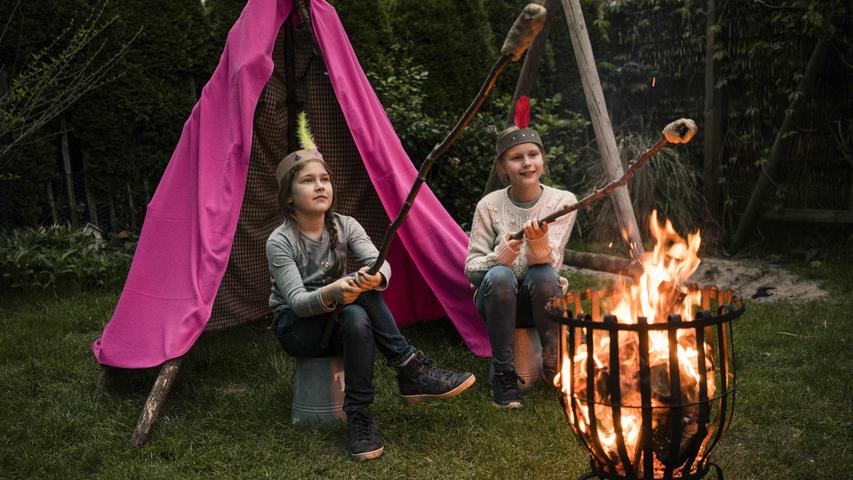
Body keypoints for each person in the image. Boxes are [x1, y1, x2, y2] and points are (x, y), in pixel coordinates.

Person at [267, 115, 475, 461]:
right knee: (354, 302)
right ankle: (409, 369)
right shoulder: (280, 241)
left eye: (324, 179)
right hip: (297, 328)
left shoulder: (345, 225)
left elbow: (381, 262)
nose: (320, 186)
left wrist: (376, 277)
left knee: (357, 315)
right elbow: (299, 304)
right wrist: (334, 291)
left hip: (340, 318)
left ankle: (359, 415)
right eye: (307, 181)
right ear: (289, 198)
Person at [464, 98, 577, 409]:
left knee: (543, 274)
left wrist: (536, 245)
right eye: (516, 158)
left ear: (542, 160)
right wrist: (500, 257)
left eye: (533, 155)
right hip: (496, 301)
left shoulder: (562, 202)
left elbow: (549, 264)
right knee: (499, 275)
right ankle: (504, 374)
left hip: (544, 299)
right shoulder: (489, 205)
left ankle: (554, 361)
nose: (526, 163)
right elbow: (472, 269)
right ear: (503, 167)